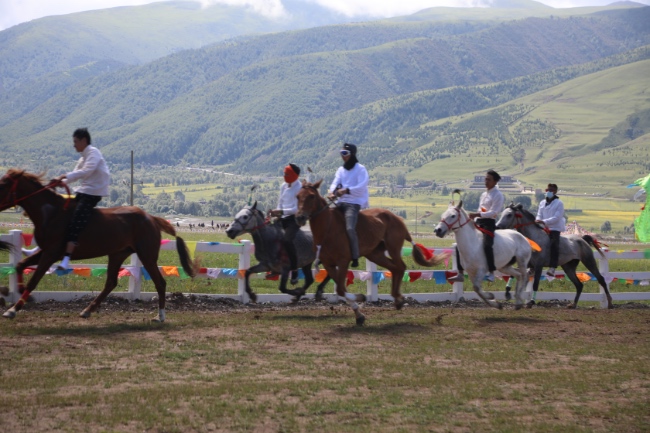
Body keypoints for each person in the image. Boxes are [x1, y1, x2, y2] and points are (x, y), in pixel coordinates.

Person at [52, 128, 110, 270]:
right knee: (64, 213)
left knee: (76, 220)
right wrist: (60, 182)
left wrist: (63, 177)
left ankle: (66, 258)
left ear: (84, 140)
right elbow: (75, 174)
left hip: (93, 193)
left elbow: (85, 172)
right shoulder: (83, 157)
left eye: (76, 141)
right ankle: (42, 248)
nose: (74, 145)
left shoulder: (93, 153)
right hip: (84, 191)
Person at [449, 169, 504, 283]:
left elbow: (494, 212)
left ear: (495, 182)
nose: (486, 181)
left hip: (489, 223)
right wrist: (474, 217)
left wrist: (478, 214)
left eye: (489, 179)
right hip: (479, 222)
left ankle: (491, 272)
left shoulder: (498, 195)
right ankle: (460, 273)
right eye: (485, 179)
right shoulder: (483, 194)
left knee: (487, 245)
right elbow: (480, 209)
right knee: (459, 244)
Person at [327, 143, 369, 268]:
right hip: (340, 202)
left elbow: (362, 186)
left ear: (352, 154)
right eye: (341, 153)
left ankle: (355, 256)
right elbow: (335, 183)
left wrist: (346, 190)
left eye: (345, 153)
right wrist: (332, 192)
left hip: (353, 203)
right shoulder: (341, 170)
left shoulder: (361, 169)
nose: (343, 156)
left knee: (350, 228)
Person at [269, 163, 302, 284]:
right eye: (284, 173)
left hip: (294, 219)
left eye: (287, 174)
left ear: (293, 175)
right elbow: (280, 202)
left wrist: (281, 211)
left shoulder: (299, 188)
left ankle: (294, 271)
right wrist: (276, 213)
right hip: (282, 217)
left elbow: (296, 209)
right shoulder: (283, 186)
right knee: (268, 236)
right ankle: (275, 267)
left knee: (287, 240)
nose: (284, 176)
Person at [536, 183, 565, 277]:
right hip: (543, 227)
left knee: (554, 245)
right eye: (547, 190)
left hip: (554, 228)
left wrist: (544, 222)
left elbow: (557, 217)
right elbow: (539, 214)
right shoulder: (542, 202)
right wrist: (538, 220)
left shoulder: (559, 203)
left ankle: (552, 267)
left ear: (555, 192)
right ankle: (532, 266)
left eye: (551, 190)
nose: (549, 192)